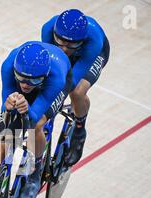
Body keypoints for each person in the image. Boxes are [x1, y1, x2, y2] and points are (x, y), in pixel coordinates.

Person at [0, 41, 72, 198]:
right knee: (7, 138)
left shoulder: (55, 77)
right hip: (34, 81)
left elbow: (34, 115)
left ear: (43, 76)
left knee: (35, 127)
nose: (24, 85)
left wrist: (26, 106)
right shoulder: (8, 66)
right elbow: (6, 104)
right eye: (21, 79)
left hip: (53, 89)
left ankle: (35, 170)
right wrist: (9, 106)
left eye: (31, 81)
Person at [41, 9, 110, 166]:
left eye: (71, 43)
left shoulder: (94, 40)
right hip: (76, 50)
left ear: (82, 39)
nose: (64, 48)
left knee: (77, 91)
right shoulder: (47, 29)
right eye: (60, 40)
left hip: (93, 54)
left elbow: (73, 79)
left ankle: (79, 130)